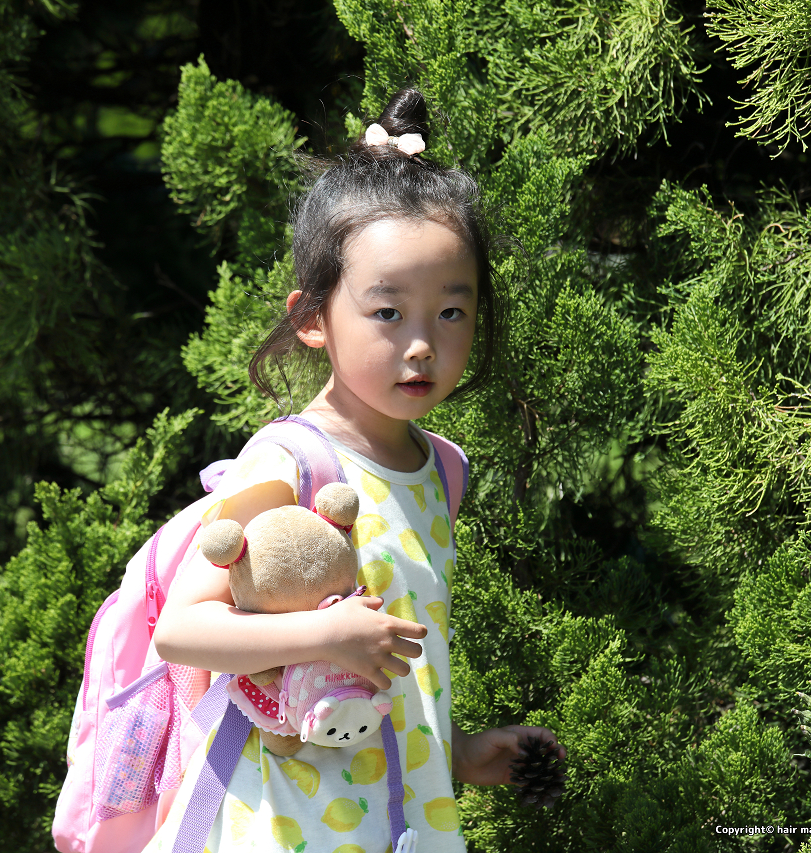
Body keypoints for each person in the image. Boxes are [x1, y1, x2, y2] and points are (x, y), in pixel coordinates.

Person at [148, 87, 563, 852]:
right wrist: (325, 632)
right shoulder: (289, 459)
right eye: (387, 312)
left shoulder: (442, 471)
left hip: (401, 821)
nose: (421, 343)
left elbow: (392, 664)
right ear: (312, 318)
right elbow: (182, 630)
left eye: (452, 311)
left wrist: (458, 750)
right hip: (278, 823)